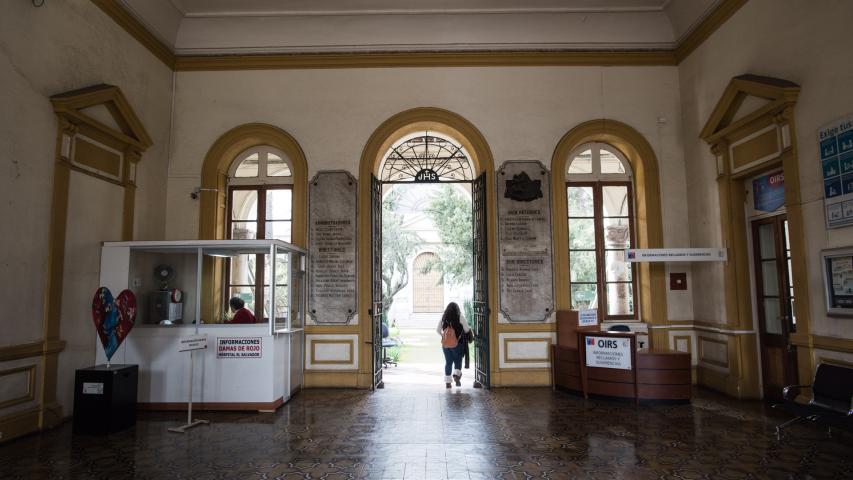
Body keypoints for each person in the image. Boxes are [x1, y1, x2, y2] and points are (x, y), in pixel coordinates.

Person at [436, 302, 471, 388]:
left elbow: (437, 330)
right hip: (457, 344)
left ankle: (448, 382)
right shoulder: (460, 317)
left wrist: (444, 337)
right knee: (457, 361)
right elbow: (467, 329)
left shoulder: (443, 318)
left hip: (445, 345)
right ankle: (456, 376)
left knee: (448, 362)